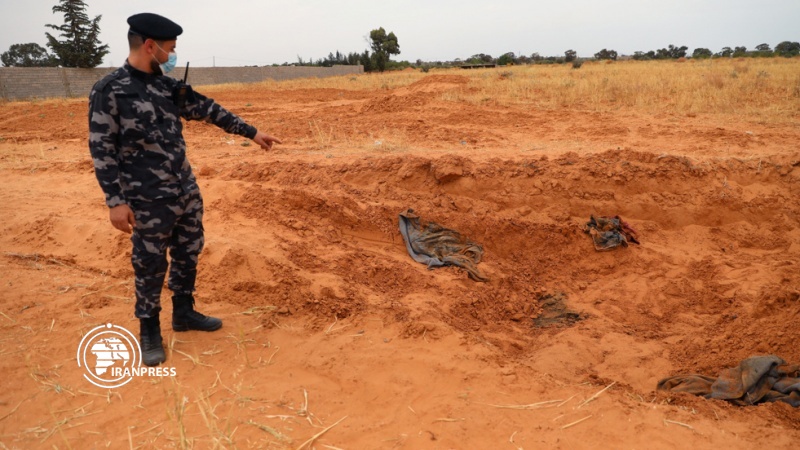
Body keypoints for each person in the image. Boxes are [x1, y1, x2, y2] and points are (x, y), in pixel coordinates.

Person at [88, 12, 281, 366]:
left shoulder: (167, 86)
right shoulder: (109, 91)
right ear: (150, 46)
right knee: (149, 263)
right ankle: (148, 330)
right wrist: (115, 201)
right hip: (146, 199)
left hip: (184, 191)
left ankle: (184, 312)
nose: (172, 54)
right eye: (170, 48)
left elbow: (207, 109)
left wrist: (251, 132)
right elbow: (102, 149)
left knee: (189, 251)